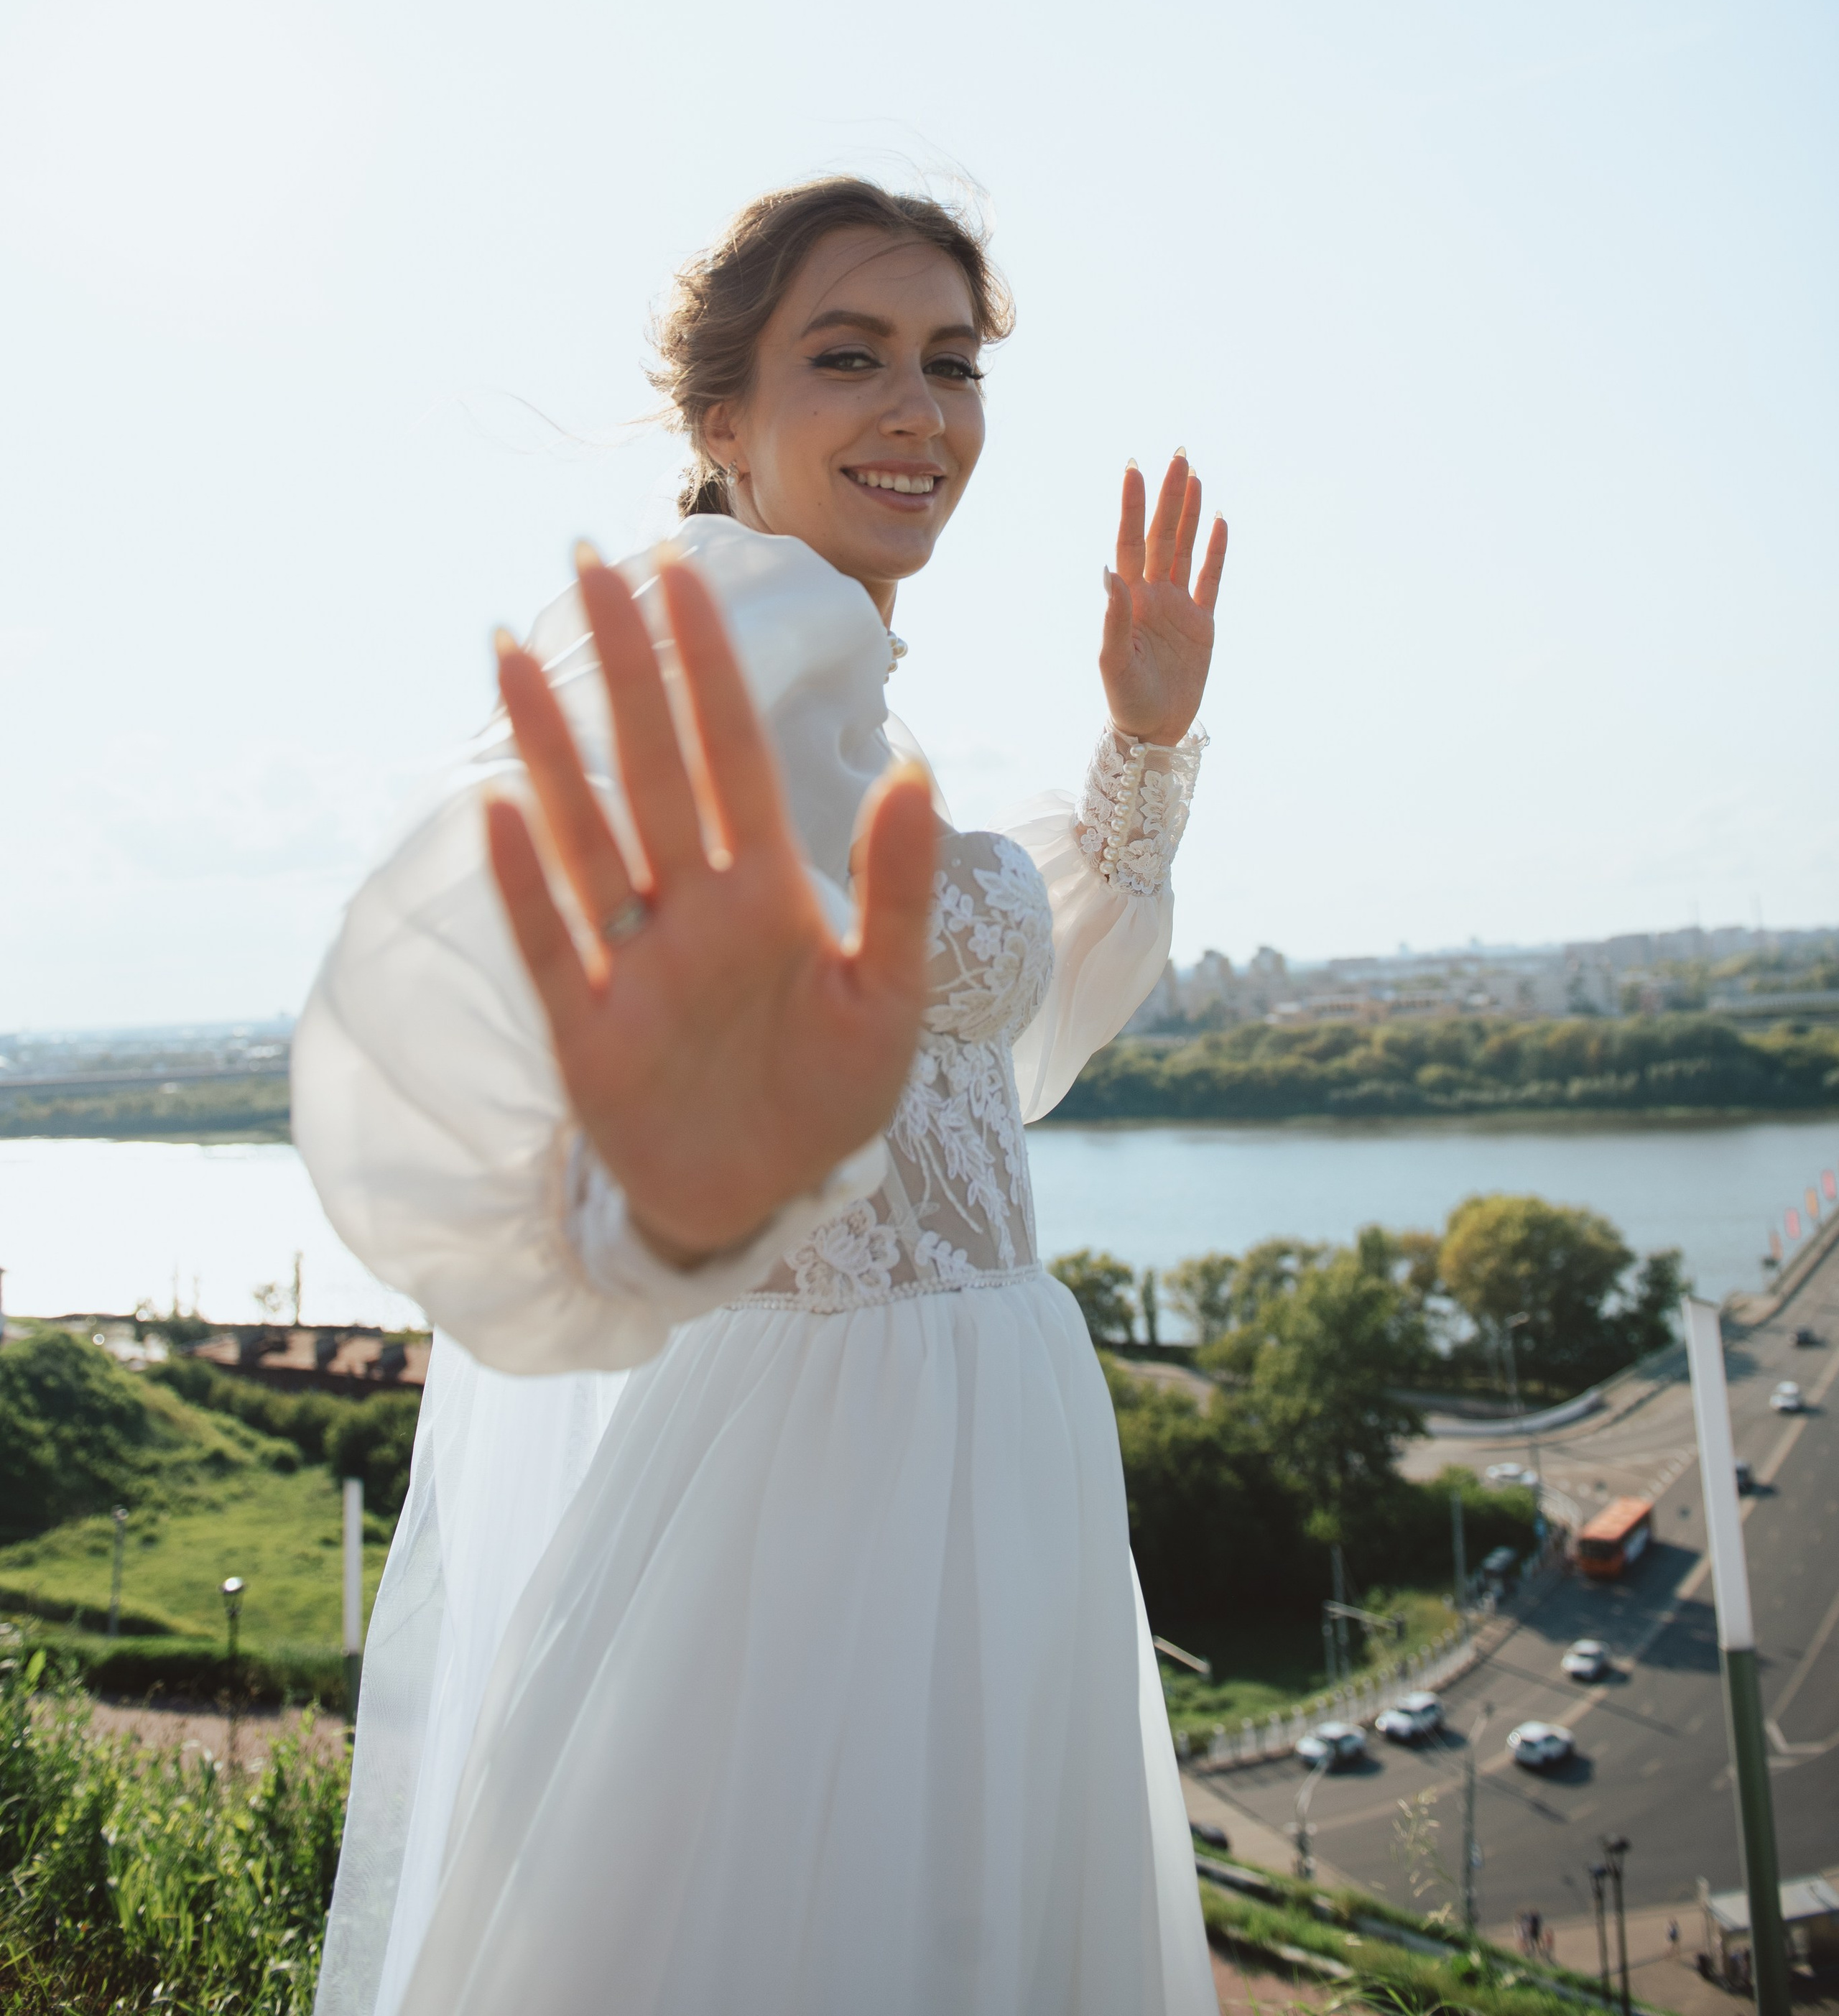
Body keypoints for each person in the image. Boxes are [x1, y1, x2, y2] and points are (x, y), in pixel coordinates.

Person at [296, 177, 1227, 2016]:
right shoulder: (728, 632)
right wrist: (676, 1150)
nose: (919, 410)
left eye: (951, 363)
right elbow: (531, 975)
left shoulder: (833, 684)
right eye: (849, 358)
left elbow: (988, 1043)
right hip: (823, 1476)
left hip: (983, 1431)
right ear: (719, 418)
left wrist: (1142, 736)